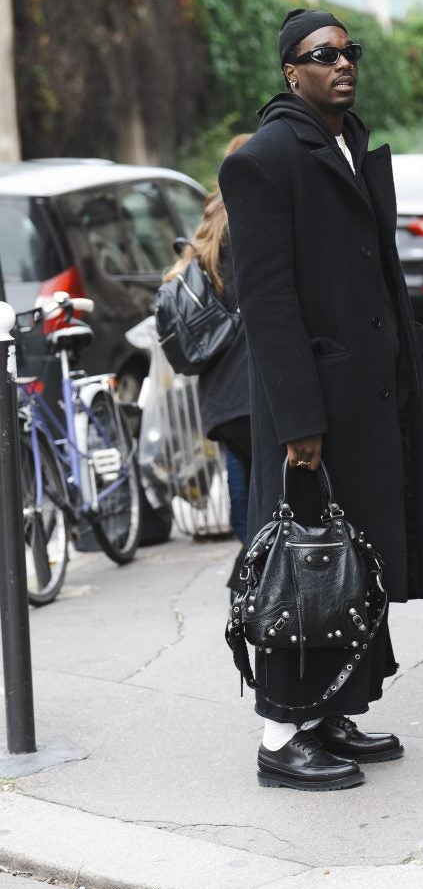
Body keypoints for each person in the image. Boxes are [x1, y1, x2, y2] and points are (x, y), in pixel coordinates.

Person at [219, 8, 423, 791]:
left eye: (349, 51)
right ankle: (281, 737)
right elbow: (267, 303)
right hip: (311, 406)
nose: (341, 64)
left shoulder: (344, 141)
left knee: (355, 556)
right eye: (321, 55)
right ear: (290, 72)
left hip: (366, 397)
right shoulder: (266, 158)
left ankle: (331, 710)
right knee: (300, 564)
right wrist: (300, 423)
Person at [163, 134, 253, 591]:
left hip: (220, 398)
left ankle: (252, 579)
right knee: (280, 498)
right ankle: (269, 582)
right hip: (259, 390)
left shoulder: (206, 238)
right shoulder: (257, 221)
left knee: (243, 494)